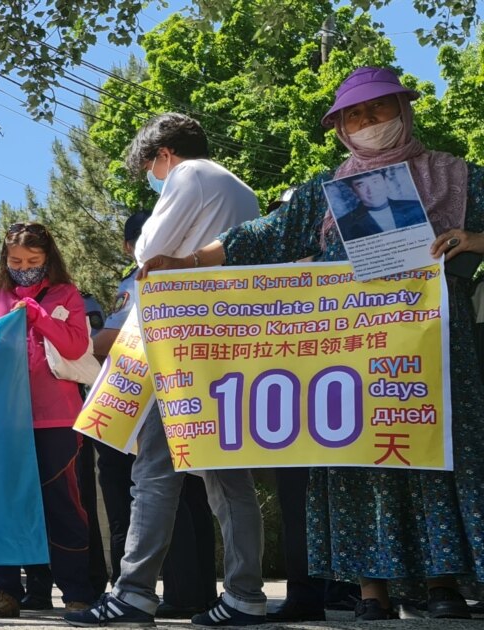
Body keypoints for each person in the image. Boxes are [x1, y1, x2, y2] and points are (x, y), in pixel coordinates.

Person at [140, 66, 484, 621]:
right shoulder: (327, 191)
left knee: (430, 455)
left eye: (377, 109)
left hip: (434, 352)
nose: (367, 122)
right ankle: (372, 591)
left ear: (403, 109)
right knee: (358, 460)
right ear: (341, 127)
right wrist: (188, 260)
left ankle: (442, 585)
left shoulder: (457, 176)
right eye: (354, 115)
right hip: (350, 350)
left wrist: (474, 239)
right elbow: (263, 236)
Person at [69, 112, 265, 628]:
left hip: (181, 339)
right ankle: (244, 594)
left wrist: (150, 239)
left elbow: (149, 251)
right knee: (229, 477)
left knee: (154, 469)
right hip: (232, 338)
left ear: (164, 155)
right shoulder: (243, 190)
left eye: (150, 168)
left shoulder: (188, 175)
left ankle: (134, 592)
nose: (154, 179)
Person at [0, 223, 95, 619]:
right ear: (4, 258)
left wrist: (37, 315)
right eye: (16, 261)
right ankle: (4, 591)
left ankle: (76, 591)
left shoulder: (66, 293)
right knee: (2, 504)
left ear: (48, 257)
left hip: (55, 418)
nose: (24, 268)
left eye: (33, 261)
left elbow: (76, 344)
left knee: (62, 505)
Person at [87, 211, 219, 620]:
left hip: (145, 397)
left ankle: (163, 594)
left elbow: (111, 340)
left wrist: (90, 338)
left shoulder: (141, 277)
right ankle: (199, 592)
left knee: (154, 494)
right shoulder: (197, 268)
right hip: (195, 393)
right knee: (196, 496)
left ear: (131, 246)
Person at [335, 170, 426, 240]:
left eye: (375, 181)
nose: (371, 190)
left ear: (385, 181)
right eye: (361, 185)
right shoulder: (344, 224)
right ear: (353, 191)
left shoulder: (416, 207)